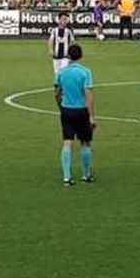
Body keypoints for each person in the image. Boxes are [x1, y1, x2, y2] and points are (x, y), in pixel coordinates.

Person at [55, 44, 95, 186]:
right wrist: (91, 116)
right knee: (85, 142)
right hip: (81, 111)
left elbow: (57, 93)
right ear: (81, 56)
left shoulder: (61, 72)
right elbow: (88, 94)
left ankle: (67, 177)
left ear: (68, 56)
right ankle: (86, 174)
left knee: (67, 142)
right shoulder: (86, 72)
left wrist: (61, 106)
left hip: (66, 110)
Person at [49, 12, 75, 81]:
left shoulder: (69, 31)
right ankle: (59, 87)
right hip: (56, 56)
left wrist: (71, 53)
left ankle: (64, 87)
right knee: (57, 73)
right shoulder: (54, 31)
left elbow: (72, 42)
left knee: (64, 71)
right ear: (59, 20)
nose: (64, 21)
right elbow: (51, 40)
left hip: (65, 56)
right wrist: (51, 50)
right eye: (63, 19)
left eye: (66, 19)